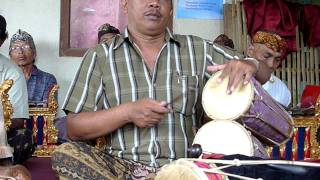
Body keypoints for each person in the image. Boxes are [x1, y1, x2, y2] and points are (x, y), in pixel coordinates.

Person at [51, 0, 271, 179]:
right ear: (125, 4)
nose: (154, 3)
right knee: (67, 154)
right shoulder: (101, 56)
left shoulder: (198, 50)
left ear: (171, 7)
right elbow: (74, 127)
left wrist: (250, 64)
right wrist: (127, 113)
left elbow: (263, 72)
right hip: (121, 169)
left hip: (186, 169)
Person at [0, 15, 33, 165]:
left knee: (23, 136)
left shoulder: (12, 73)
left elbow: (18, 120)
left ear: (2, 39)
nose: (21, 52)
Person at [9, 29, 57, 107]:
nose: (20, 51)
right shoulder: (3, 78)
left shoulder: (48, 79)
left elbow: (49, 110)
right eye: (15, 48)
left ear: (34, 54)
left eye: (25, 47)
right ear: (10, 56)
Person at [247, 30, 291, 107]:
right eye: (266, 56)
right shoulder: (231, 77)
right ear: (250, 51)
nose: (271, 64)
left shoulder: (282, 90)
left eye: (277, 60)